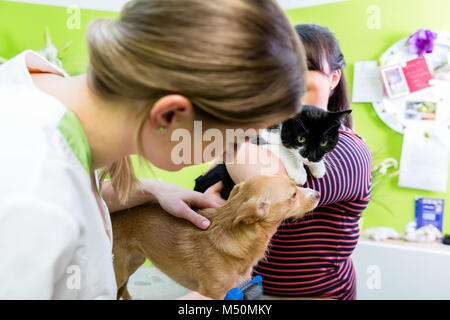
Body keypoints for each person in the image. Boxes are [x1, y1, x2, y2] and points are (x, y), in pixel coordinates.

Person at [0, 0, 307, 299]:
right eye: (234, 143)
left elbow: (76, 190)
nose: (227, 156)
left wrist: (151, 189)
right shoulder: (32, 195)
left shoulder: (45, 98)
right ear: (169, 115)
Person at [198, 24, 372, 300]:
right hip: (250, 291)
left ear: (334, 77)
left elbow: (269, 181)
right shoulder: (261, 138)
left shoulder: (349, 151)